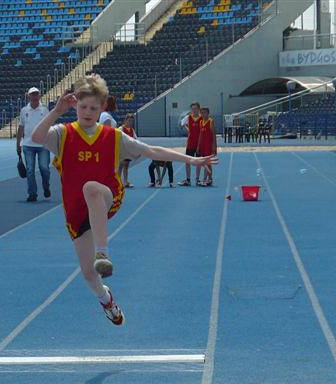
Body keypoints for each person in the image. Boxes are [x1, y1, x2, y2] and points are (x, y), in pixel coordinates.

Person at [31, 74, 216, 325]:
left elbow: (150, 150)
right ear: (75, 105)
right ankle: (106, 299)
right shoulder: (62, 134)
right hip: (76, 210)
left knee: (92, 189)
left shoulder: (114, 137)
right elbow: (36, 138)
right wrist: (56, 111)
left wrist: (189, 159)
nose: (87, 112)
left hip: (108, 195)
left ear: (102, 108)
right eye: (83, 107)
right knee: (87, 275)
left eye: (93, 108)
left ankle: (103, 253)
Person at [17, 87, 52, 202]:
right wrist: (18, 144)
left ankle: (46, 187)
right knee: (30, 170)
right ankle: (32, 193)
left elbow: (48, 126)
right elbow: (21, 127)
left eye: (36, 94)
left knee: (44, 169)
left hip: (43, 145)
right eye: (33, 94)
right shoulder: (24, 111)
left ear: (39, 95)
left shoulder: (44, 110)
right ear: (29, 96)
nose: (35, 96)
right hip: (28, 144)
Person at [179, 102, 202, 186]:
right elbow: (182, 123)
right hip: (190, 142)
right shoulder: (188, 117)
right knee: (187, 161)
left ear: (199, 109)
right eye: (192, 109)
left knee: (198, 161)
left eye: (195, 108)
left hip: (199, 142)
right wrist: (188, 130)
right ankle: (188, 179)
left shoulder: (202, 118)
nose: (194, 110)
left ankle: (197, 179)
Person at [196, 107, 216, 186]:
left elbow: (214, 135)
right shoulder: (201, 122)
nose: (203, 114)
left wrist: (214, 146)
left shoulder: (211, 121)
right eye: (202, 113)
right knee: (203, 162)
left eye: (205, 113)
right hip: (202, 145)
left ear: (208, 113)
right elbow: (200, 135)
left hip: (209, 145)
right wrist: (198, 146)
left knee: (208, 163)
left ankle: (210, 178)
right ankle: (204, 179)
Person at [118, 113, 136, 188]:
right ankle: (118, 182)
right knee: (120, 165)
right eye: (128, 121)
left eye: (131, 121)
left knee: (126, 166)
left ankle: (125, 182)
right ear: (125, 120)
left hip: (128, 150)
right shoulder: (121, 128)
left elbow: (135, 138)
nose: (130, 122)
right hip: (122, 150)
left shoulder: (132, 130)